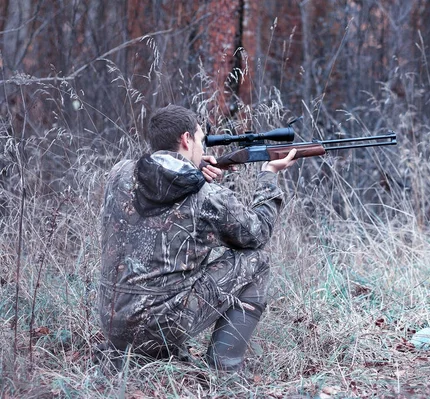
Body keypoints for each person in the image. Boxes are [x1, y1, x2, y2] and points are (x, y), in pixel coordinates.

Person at [97, 104, 297, 371]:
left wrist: (192, 169)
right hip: (161, 330)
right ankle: (225, 370)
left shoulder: (119, 174)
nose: (203, 149)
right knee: (256, 260)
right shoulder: (207, 196)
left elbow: (158, 172)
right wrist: (269, 176)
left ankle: (139, 358)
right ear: (186, 139)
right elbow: (256, 234)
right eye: (201, 140)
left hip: (112, 324)